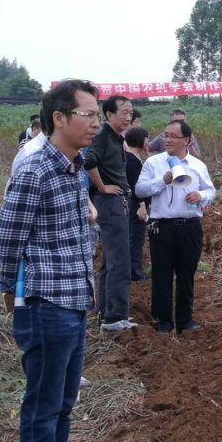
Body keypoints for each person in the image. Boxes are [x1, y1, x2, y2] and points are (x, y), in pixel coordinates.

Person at [0, 79, 106, 442]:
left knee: (63, 402)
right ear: (59, 118)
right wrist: (10, 294)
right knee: (41, 406)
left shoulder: (75, 166)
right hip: (44, 303)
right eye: (89, 116)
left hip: (74, 297)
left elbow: (76, 225)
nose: (95, 124)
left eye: (98, 116)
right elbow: (8, 238)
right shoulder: (35, 169)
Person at [135, 120, 216, 334]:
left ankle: (185, 320)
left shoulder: (198, 165)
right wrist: (162, 181)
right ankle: (163, 321)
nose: (167, 139)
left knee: (186, 274)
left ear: (186, 141)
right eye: (165, 135)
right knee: (161, 274)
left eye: (173, 136)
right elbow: (140, 190)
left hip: (189, 227)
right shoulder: (154, 163)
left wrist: (201, 196)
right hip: (161, 227)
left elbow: (211, 191)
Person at [85, 95, 135, 332]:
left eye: (130, 112)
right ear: (109, 115)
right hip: (110, 203)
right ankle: (115, 317)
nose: (128, 117)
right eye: (124, 112)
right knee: (120, 260)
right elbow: (88, 160)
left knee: (110, 260)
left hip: (114, 202)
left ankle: (105, 312)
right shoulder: (103, 136)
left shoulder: (116, 138)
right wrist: (103, 187)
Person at [125, 127, 150, 282]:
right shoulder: (132, 161)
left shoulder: (132, 158)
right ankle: (135, 272)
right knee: (136, 238)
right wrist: (142, 206)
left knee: (135, 237)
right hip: (136, 206)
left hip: (134, 205)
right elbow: (134, 186)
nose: (148, 142)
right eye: (146, 139)